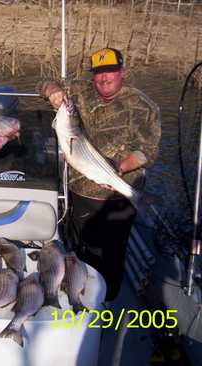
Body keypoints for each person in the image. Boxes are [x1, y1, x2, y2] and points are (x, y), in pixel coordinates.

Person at [41, 47, 161, 302]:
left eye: (110, 72)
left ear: (122, 73)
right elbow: (46, 83)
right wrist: (53, 92)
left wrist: (123, 166)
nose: (104, 78)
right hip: (80, 192)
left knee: (112, 253)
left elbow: (149, 151)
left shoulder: (143, 106)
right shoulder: (79, 91)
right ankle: (80, 295)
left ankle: (107, 302)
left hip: (118, 196)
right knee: (82, 250)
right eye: (98, 73)